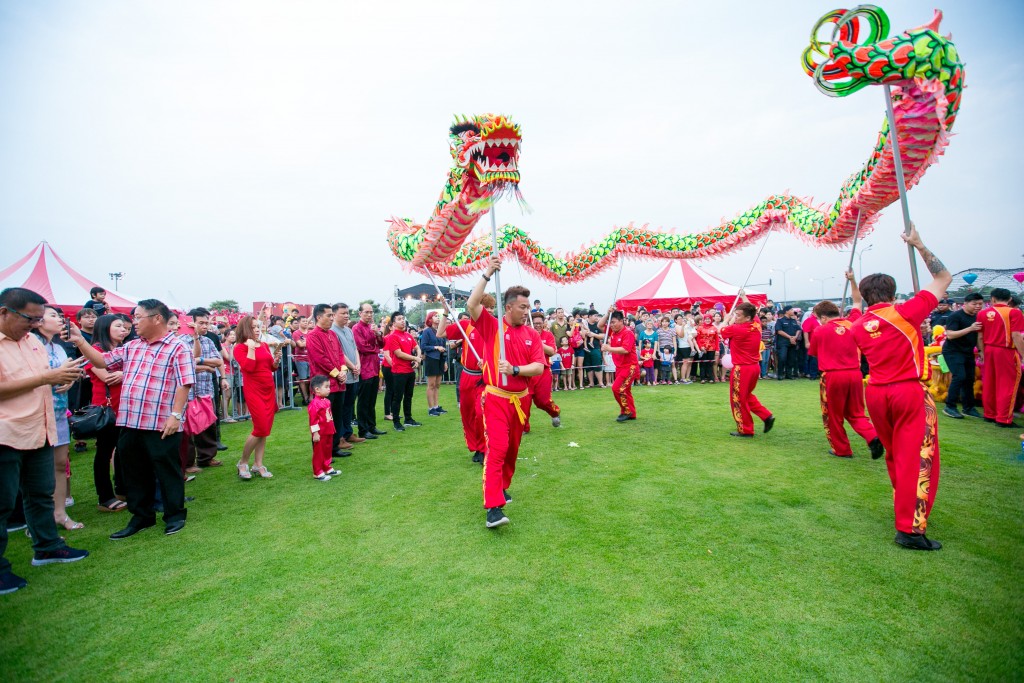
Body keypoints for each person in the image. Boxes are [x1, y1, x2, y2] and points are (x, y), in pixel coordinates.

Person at [850, 224, 951, 550]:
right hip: (907, 391)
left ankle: (905, 505)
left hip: (876, 393)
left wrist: (853, 285)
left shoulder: (859, 325)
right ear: (892, 293)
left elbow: (857, 307)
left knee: (896, 454)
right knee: (919, 457)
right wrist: (919, 245)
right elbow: (943, 277)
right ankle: (909, 528)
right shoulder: (906, 312)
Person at [69, 298, 195, 539]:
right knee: (134, 472)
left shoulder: (178, 347)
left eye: (138, 317)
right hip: (130, 421)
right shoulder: (133, 346)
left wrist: (176, 415)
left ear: (156, 318)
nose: (133, 323)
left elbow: (184, 383)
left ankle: (174, 515)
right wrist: (80, 341)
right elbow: (102, 361)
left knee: (167, 470)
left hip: (161, 422)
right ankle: (142, 516)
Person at [0, 288, 90, 593]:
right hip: (7, 433)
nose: (35, 324)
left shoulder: (33, 343)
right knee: (3, 502)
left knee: (40, 493)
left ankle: (47, 547)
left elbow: (44, 379)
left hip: (41, 428)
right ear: (4, 312)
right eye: (30, 318)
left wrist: (62, 379)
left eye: (39, 319)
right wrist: (45, 379)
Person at [467, 256, 546, 528]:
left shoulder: (532, 335)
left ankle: (501, 487)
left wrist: (514, 369)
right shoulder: (492, 326)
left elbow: (538, 367)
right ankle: (493, 507)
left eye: (528, 306)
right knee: (498, 448)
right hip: (495, 399)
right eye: (523, 307)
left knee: (512, 451)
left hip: (520, 401)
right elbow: (472, 304)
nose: (527, 311)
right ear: (509, 307)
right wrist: (488, 273)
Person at [809, 273, 882, 458]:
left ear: (823, 317)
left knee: (833, 415)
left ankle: (841, 449)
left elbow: (814, 352)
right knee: (857, 412)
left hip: (833, 375)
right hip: (854, 374)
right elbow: (858, 301)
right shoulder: (853, 322)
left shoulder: (820, 331)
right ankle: (872, 436)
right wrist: (852, 280)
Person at [35, 306, 81, 531]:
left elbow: (68, 373)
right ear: (38, 320)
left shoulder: (59, 347)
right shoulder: (30, 346)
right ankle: (38, 519)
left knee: (60, 463)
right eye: (53, 315)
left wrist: (70, 379)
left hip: (60, 412)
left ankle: (60, 513)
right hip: (36, 413)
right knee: (37, 469)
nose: (60, 319)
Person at [86, 314, 128, 512]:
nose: (123, 330)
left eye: (124, 327)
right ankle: (105, 497)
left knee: (123, 449)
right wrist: (126, 374)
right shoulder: (95, 351)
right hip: (106, 408)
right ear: (104, 328)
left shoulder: (122, 349)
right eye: (118, 326)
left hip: (124, 406)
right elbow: (107, 377)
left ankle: (122, 488)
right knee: (104, 452)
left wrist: (123, 374)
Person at [232, 316, 280, 479]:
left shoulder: (264, 345)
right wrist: (251, 348)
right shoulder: (239, 348)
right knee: (260, 428)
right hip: (254, 391)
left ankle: (258, 464)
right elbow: (249, 367)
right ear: (245, 329)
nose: (258, 330)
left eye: (258, 327)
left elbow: (270, 367)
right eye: (253, 327)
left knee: (264, 429)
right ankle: (243, 462)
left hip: (268, 388)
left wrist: (276, 362)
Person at [720, 298, 775, 438]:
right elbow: (753, 311)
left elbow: (721, 330)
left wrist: (726, 319)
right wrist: (744, 297)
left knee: (738, 398)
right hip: (754, 367)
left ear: (747, 317)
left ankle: (746, 429)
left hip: (742, 368)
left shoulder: (737, 329)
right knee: (746, 395)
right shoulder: (756, 324)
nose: (736, 317)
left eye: (738, 315)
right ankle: (766, 416)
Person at [442, 304, 489, 463]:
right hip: (467, 376)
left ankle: (484, 448)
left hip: (485, 378)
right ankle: (476, 447)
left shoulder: (494, 327)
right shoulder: (465, 325)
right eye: (485, 308)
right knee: (468, 414)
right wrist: (445, 312)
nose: (488, 311)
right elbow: (440, 333)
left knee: (481, 413)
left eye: (491, 308)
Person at [179, 309, 224, 473]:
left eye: (207, 323)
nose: (205, 326)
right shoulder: (181, 341)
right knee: (187, 428)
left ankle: (206, 457)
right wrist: (205, 366)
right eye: (201, 323)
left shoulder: (208, 340)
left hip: (205, 388)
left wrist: (201, 361)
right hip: (187, 391)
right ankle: (188, 463)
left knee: (208, 424)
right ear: (191, 323)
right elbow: (186, 364)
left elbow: (218, 361)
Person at [306, 304, 350, 456]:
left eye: (332, 315)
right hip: (323, 384)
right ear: (319, 317)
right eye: (329, 315)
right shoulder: (313, 336)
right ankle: (321, 453)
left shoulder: (332, 334)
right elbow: (320, 359)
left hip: (338, 383)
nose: (332, 318)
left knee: (336, 417)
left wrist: (343, 371)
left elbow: (340, 354)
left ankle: (334, 448)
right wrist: (338, 374)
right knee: (321, 420)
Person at [978, 288, 1024, 428]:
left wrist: (982, 352)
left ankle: (989, 414)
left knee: (989, 383)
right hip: (1006, 351)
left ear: (992, 298)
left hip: (988, 349)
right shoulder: (1014, 312)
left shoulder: (982, 313)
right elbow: (1016, 336)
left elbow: (980, 336)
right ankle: (1004, 418)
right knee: (1007, 384)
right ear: (1009, 299)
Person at [940, 292, 984, 419]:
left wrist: (981, 351)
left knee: (970, 379)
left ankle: (968, 407)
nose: (977, 306)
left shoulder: (978, 317)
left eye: (980, 304)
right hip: (952, 351)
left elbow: (978, 336)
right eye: (974, 304)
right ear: (965, 304)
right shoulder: (955, 316)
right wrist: (970, 328)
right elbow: (950, 335)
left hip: (968, 352)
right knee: (959, 376)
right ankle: (950, 406)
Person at [331, 304, 364, 446]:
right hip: (343, 374)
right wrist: (352, 366)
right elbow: (340, 354)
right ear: (334, 315)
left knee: (350, 405)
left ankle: (348, 433)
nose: (346, 315)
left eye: (347, 313)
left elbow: (355, 349)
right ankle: (340, 436)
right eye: (343, 313)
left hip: (354, 373)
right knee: (341, 407)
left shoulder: (349, 330)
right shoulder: (332, 331)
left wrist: (358, 364)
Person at [353, 303, 386, 440]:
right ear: (360, 313)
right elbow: (362, 347)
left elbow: (382, 343)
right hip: (365, 367)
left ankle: (372, 426)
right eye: (366, 312)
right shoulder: (356, 328)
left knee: (372, 399)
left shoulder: (372, 327)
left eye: (371, 312)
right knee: (363, 400)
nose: (369, 315)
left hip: (374, 366)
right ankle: (363, 429)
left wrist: (378, 334)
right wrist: (377, 349)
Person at [600, 307, 639, 422]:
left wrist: (608, 348)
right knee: (626, 390)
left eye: (614, 322)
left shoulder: (628, 333)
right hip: (620, 367)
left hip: (630, 366)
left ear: (621, 321)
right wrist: (607, 314)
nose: (611, 325)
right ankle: (632, 413)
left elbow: (626, 350)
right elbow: (600, 325)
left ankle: (626, 411)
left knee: (617, 388)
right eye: (610, 322)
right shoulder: (613, 331)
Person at [383, 313, 421, 432]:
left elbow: (417, 347)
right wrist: (415, 358)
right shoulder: (393, 336)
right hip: (399, 371)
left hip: (409, 370)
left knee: (409, 396)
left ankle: (408, 419)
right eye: (399, 319)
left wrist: (418, 359)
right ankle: (396, 422)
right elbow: (399, 354)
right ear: (393, 323)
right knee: (397, 397)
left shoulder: (408, 335)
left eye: (403, 319)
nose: (402, 321)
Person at [528, 312, 561, 429]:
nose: (537, 325)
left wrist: (536, 340)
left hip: (543, 371)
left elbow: (552, 351)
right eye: (535, 323)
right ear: (530, 323)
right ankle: (524, 427)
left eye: (540, 323)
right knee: (524, 401)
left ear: (544, 323)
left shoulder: (548, 335)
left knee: (542, 401)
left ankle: (555, 412)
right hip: (526, 372)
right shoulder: (524, 334)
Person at [307, 375, 341, 481]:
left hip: (329, 430)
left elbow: (329, 417)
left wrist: (332, 428)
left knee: (327, 450)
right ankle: (317, 472)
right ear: (317, 389)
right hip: (320, 433)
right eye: (326, 387)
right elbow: (313, 420)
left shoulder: (327, 401)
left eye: (329, 386)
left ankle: (326, 467)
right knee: (319, 452)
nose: (329, 389)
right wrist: (315, 433)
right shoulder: (314, 404)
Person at [420, 311, 447, 417]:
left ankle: (436, 406)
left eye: (438, 316)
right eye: (435, 316)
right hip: (431, 359)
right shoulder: (426, 331)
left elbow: (443, 346)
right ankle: (431, 408)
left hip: (440, 359)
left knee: (437, 384)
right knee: (431, 384)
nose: (438, 317)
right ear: (430, 319)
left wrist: (445, 362)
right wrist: (436, 347)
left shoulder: (440, 331)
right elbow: (423, 346)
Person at [774, 307, 802, 380]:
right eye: (791, 310)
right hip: (783, 343)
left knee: (791, 359)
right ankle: (780, 374)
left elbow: (798, 329)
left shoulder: (793, 320)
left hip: (792, 343)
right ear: (786, 311)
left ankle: (788, 375)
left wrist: (795, 337)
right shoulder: (780, 320)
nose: (793, 311)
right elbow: (779, 331)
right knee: (782, 358)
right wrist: (790, 337)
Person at [694, 314, 720, 384]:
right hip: (702, 348)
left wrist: (717, 349)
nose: (707, 320)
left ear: (711, 319)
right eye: (706, 319)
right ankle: (702, 378)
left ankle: (711, 378)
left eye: (709, 319)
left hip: (712, 348)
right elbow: (698, 339)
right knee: (702, 363)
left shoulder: (714, 328)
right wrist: (700, 347)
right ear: (704, 320)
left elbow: (717, 340)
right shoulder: (700, 328)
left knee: (710, 363)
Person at [291, 317, 310, 405]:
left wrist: (306, 342)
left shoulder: (310, 332)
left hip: (310, 358)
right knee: (303, 379)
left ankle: (310, 396)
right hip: (300, 359)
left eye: (306, 321)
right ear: (299, 323)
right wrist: (310, 342)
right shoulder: (296, 333)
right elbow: (300, 345)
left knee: (310, 379)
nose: (305, 322)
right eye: (303, 321)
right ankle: (305, 397)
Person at [584, 310, 605, 389]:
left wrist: (594, 334)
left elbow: (603, 336)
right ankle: (591, 383)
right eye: (595, 315)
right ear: (589, 316)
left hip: (595, 348)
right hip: (586, 348)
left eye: (597, 316)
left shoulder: (598, 325)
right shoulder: (585, 324)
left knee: (597, 365)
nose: (596, 317)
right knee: (588, 366)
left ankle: (600, 382)